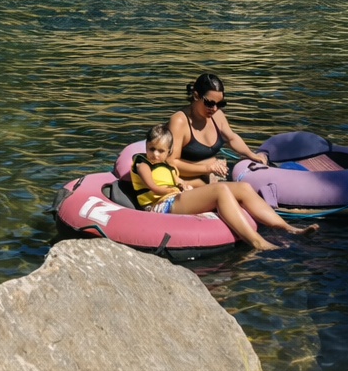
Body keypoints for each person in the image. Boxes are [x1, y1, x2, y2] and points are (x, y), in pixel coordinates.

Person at [132, 122, 310, 251]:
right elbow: (152, 186)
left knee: (243, 187)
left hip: (174, 198)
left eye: (161, 151)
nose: (155, 154)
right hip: (161, 206)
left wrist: (183, 184)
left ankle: (287, 227)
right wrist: (173, 190)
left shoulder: (168, 167)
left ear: (169, 151)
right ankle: (258, 242)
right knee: (220, 190)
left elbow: (177, 182)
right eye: (151, 149)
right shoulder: (142, 163)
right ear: (146, 146)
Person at [167, 72, 270, 184]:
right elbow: (171, 162)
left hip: (213, 173)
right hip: (189, 180)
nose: (215, 108)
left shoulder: (217, 115)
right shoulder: (179, 121)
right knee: (240, 189)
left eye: (220, 104)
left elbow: (231, 138)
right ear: (196, 96)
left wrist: (251, 155)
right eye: (209, 103)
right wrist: (208, 168)